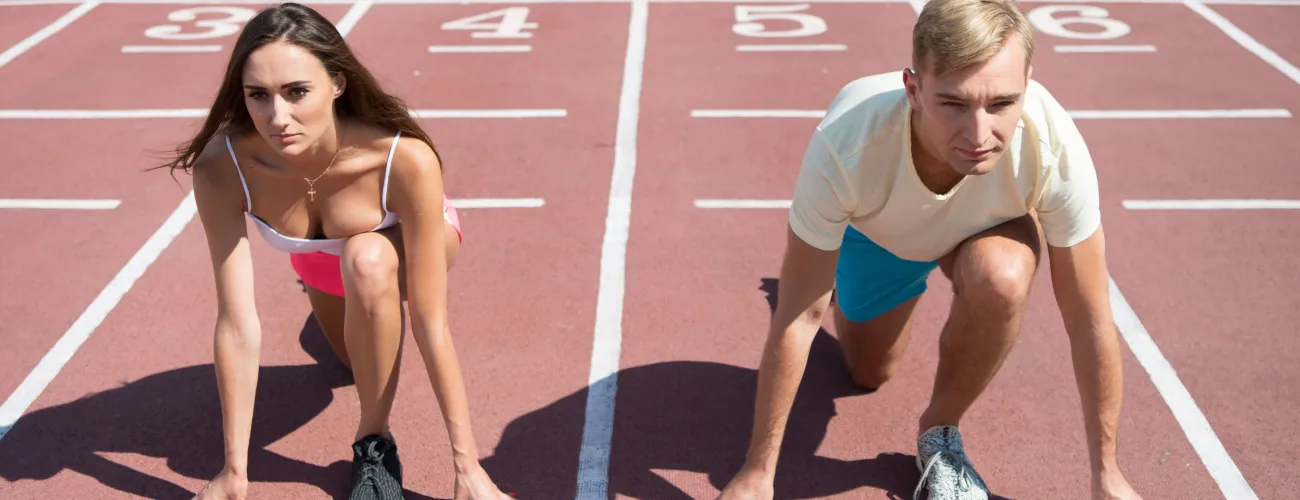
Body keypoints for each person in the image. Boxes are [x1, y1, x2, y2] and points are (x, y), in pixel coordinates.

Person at [714, 0, 1144, 499]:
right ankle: (841, 281)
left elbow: (1089, 317)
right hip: (881, 235)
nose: (980, 135)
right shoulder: (847, 144)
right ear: (914, 90)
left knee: (1001, 278)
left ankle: (939, 434)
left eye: (1002, 103)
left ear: (1028, 83)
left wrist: (1107, 474)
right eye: (955, 105)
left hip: (985, 225)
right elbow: (799, 316)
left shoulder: (1053, 145)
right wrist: (756, 474)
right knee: (868, 372)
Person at [155, 4, 512, 500]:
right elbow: (236, 321)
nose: (278, 118)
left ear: (337, 84)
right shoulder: (222, 167)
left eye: (297, 92)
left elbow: (431, 322)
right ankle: (340, 306)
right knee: (351, 365)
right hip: (317, 260)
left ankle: (374, 445)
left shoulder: (401, 158)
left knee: (366, 259)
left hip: (402, 247)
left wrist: (467, 466)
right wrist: (234, 473)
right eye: (258, 96)